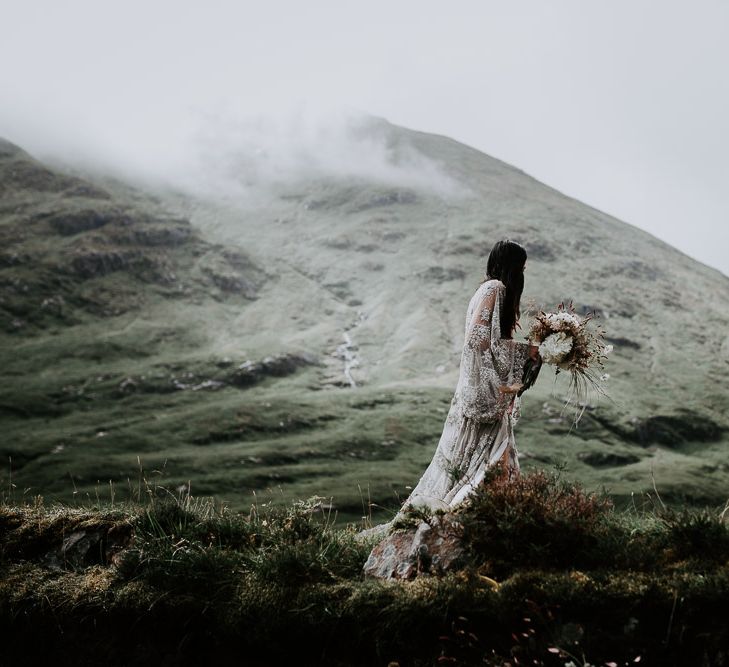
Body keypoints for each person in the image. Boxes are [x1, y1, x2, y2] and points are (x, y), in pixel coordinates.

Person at [358, 239, 540, 540]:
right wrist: (526, 353)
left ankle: (496, 516)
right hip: (486, 393)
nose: (522, 274)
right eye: (520, 268)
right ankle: (482, 520)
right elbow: (478, 341)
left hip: (484, 392)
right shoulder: (495, 289)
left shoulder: (486, 289)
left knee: (479, 457)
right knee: (489, 459)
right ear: (511, 268)